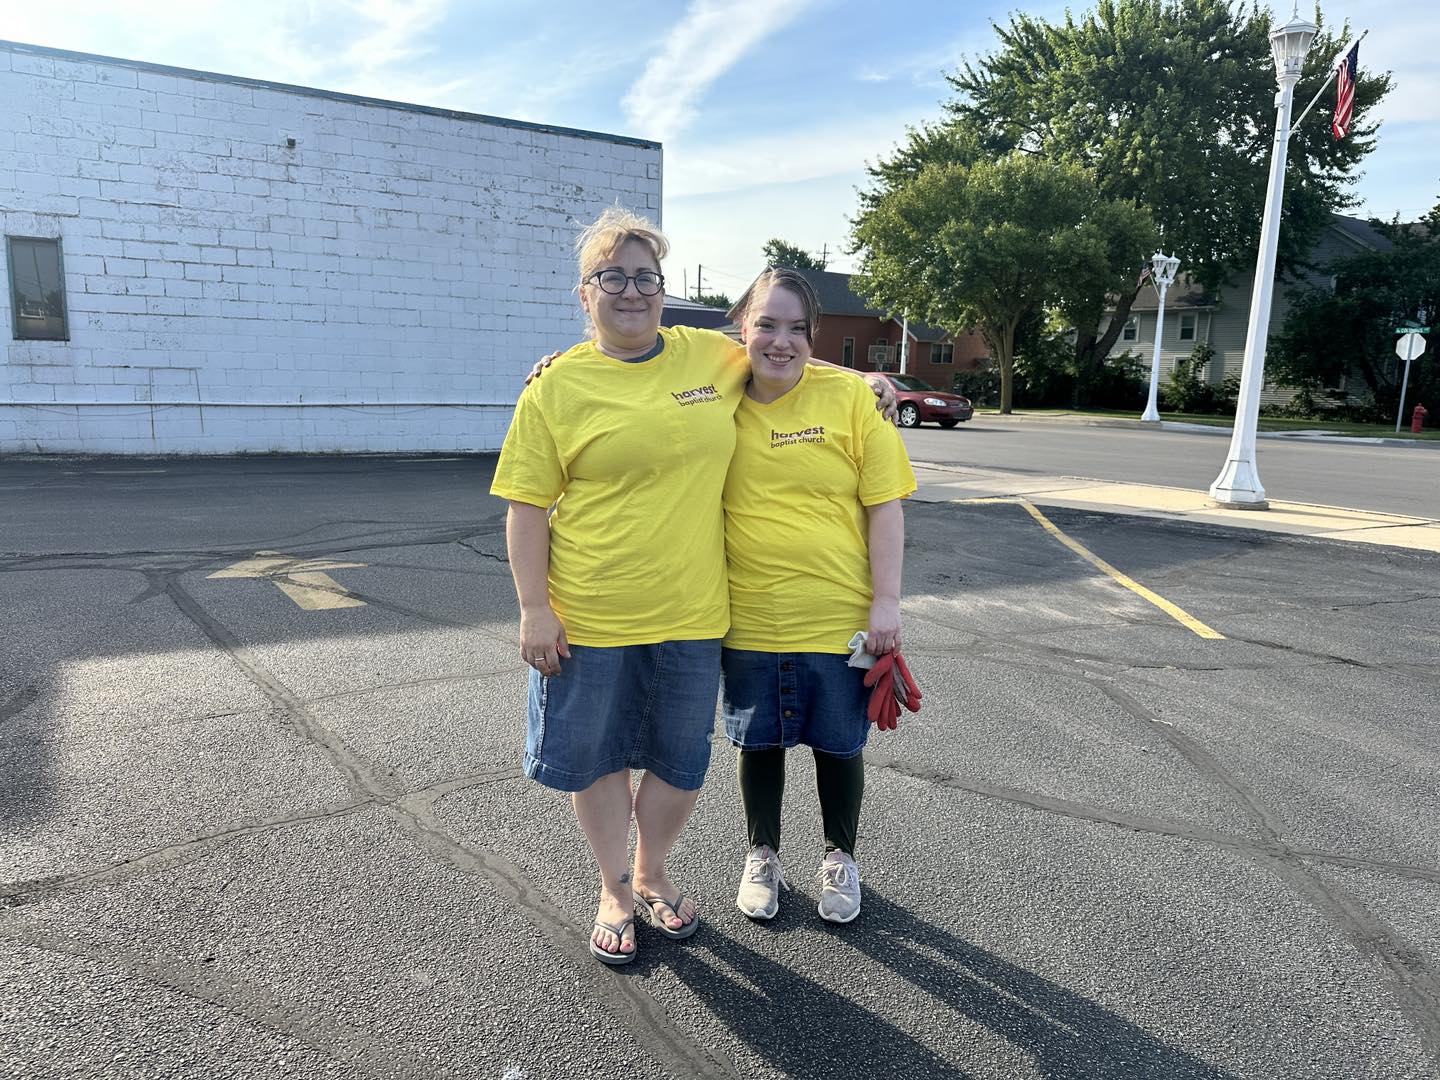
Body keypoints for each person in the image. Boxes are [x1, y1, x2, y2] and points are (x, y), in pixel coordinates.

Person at [491, 208, 895, 965]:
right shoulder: (557, 387)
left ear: (663, 288)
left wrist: (867, 377)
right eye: (613, 277)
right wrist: (534, 608)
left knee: (678, 763)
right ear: (586, 294)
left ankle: (652, 872)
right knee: (600, 760)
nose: (632, 291)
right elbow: (525, 507)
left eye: (646, 277)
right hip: (592, 613)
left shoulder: (706, 355)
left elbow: (781, 351)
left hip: (694, 614)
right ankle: (615, 889)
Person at [719, 268, 916, 925]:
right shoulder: (715, 392)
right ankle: (762, 854)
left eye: (798, 329)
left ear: (814, 336)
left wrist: (886, 603)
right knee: (759, 742)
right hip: (748, 612)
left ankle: (840, 856)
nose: (781, 340)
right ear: (741, 328)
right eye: (767, 324)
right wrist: (560, 362)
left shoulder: (853, 399)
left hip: (838, 615)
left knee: (839, 744)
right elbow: (639, 354)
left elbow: (885, 507)